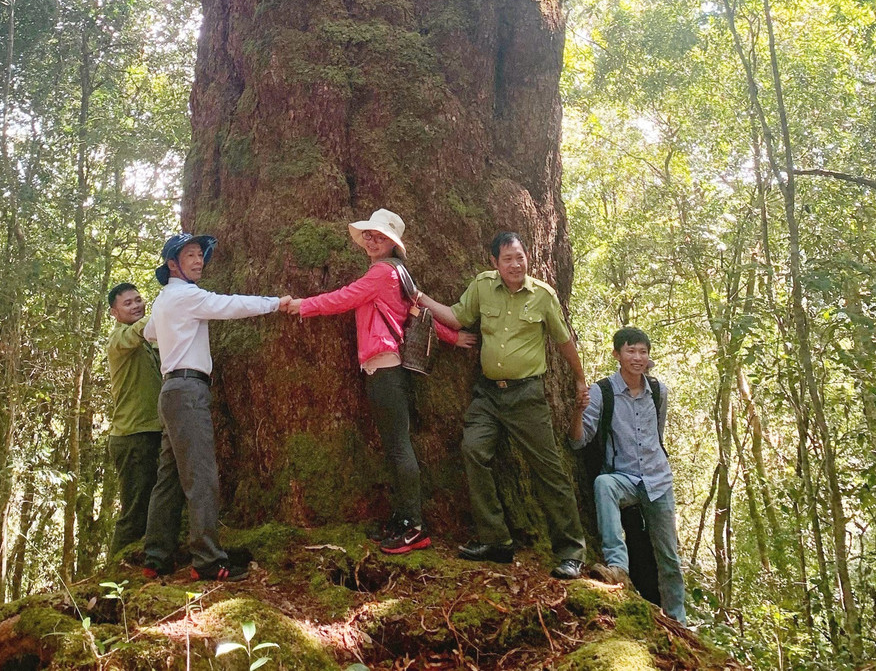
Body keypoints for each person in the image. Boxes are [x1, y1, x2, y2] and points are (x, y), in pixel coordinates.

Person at [288, 208, 476, 555]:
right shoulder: (399, 273)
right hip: (388, 367)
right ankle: (402, 519)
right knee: (394, 446)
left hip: (385, 367)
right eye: (369, 235)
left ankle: (414, 527)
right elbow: (414, 314)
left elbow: (344, 298)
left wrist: (302, 305)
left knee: (398, 447)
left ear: (393, 244)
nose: (373, 241)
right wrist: (453, 337)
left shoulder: (382, 273)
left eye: (380, 237)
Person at [416, 231, 590, 579]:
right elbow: (457, 317)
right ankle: (496, 540)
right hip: (488, 394)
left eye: (520, 257)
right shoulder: (483, 286)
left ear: (528, 258)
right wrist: (421, 298)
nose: (515, 264)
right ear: (494, 262)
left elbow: (564, 340)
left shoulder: (542, 296)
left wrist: (580, 378)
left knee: (549, 470)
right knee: (473, 450)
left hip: (526, 395)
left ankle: (571, 551)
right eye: (507, 259)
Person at [143, 232, 292, 582]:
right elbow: (230, 305)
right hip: (188, 391)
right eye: (190, 256)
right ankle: (208, 560)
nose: (199, 261)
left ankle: (156, 557)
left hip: (171, 391)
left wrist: (176, 334)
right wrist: (275, 302)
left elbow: (150, 333)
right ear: (172, 264)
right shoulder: (187, 296)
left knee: (169, 478)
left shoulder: (165, 300)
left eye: (200, 255)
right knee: (201, 476)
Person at [567, 326, 686, 623]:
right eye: (630, 351)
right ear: (617, 354)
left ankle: (678, 620)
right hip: (624, 477)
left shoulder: (658, 391)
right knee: (604, 483)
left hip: (658, 480)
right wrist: (578, 411)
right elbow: (578, 441)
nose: (637, 357)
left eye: (643, 352)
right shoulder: (602, 392)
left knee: (669, 557)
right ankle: (617, 565)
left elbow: (657, 435)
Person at [105, 281, 183, 570]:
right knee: (135, 511)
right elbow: (139, 331)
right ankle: (114, 574)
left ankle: (147, 561)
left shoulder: (150, 342)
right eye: (128, 303)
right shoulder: (119, 339)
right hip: (132, 435)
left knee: (155, 503)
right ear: (114, 312)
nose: (136, 305)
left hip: (152, 431)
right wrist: (172, 306)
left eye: (138, 300)